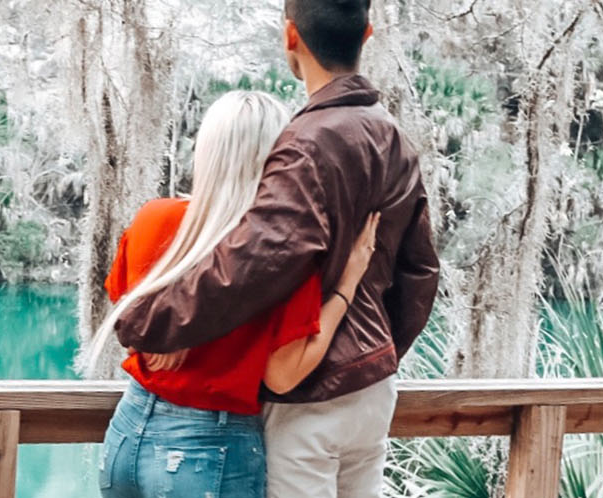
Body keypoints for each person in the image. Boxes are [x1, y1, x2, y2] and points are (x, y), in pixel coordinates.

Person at [111, 0, 440, 496]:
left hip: (311, 388)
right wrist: (376, 355)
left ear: (290, 36)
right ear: (368, 33)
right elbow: (420, 273)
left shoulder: (305, 142)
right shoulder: (396, 140)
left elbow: (253, 264)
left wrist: (148, 322)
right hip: (374, 390)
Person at [90, 91, 383, 498]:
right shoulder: (283, 252)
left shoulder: (153, 218)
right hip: (210, 450)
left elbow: (131, 326)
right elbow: (282, 376)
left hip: (128, 434)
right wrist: (347, 285)